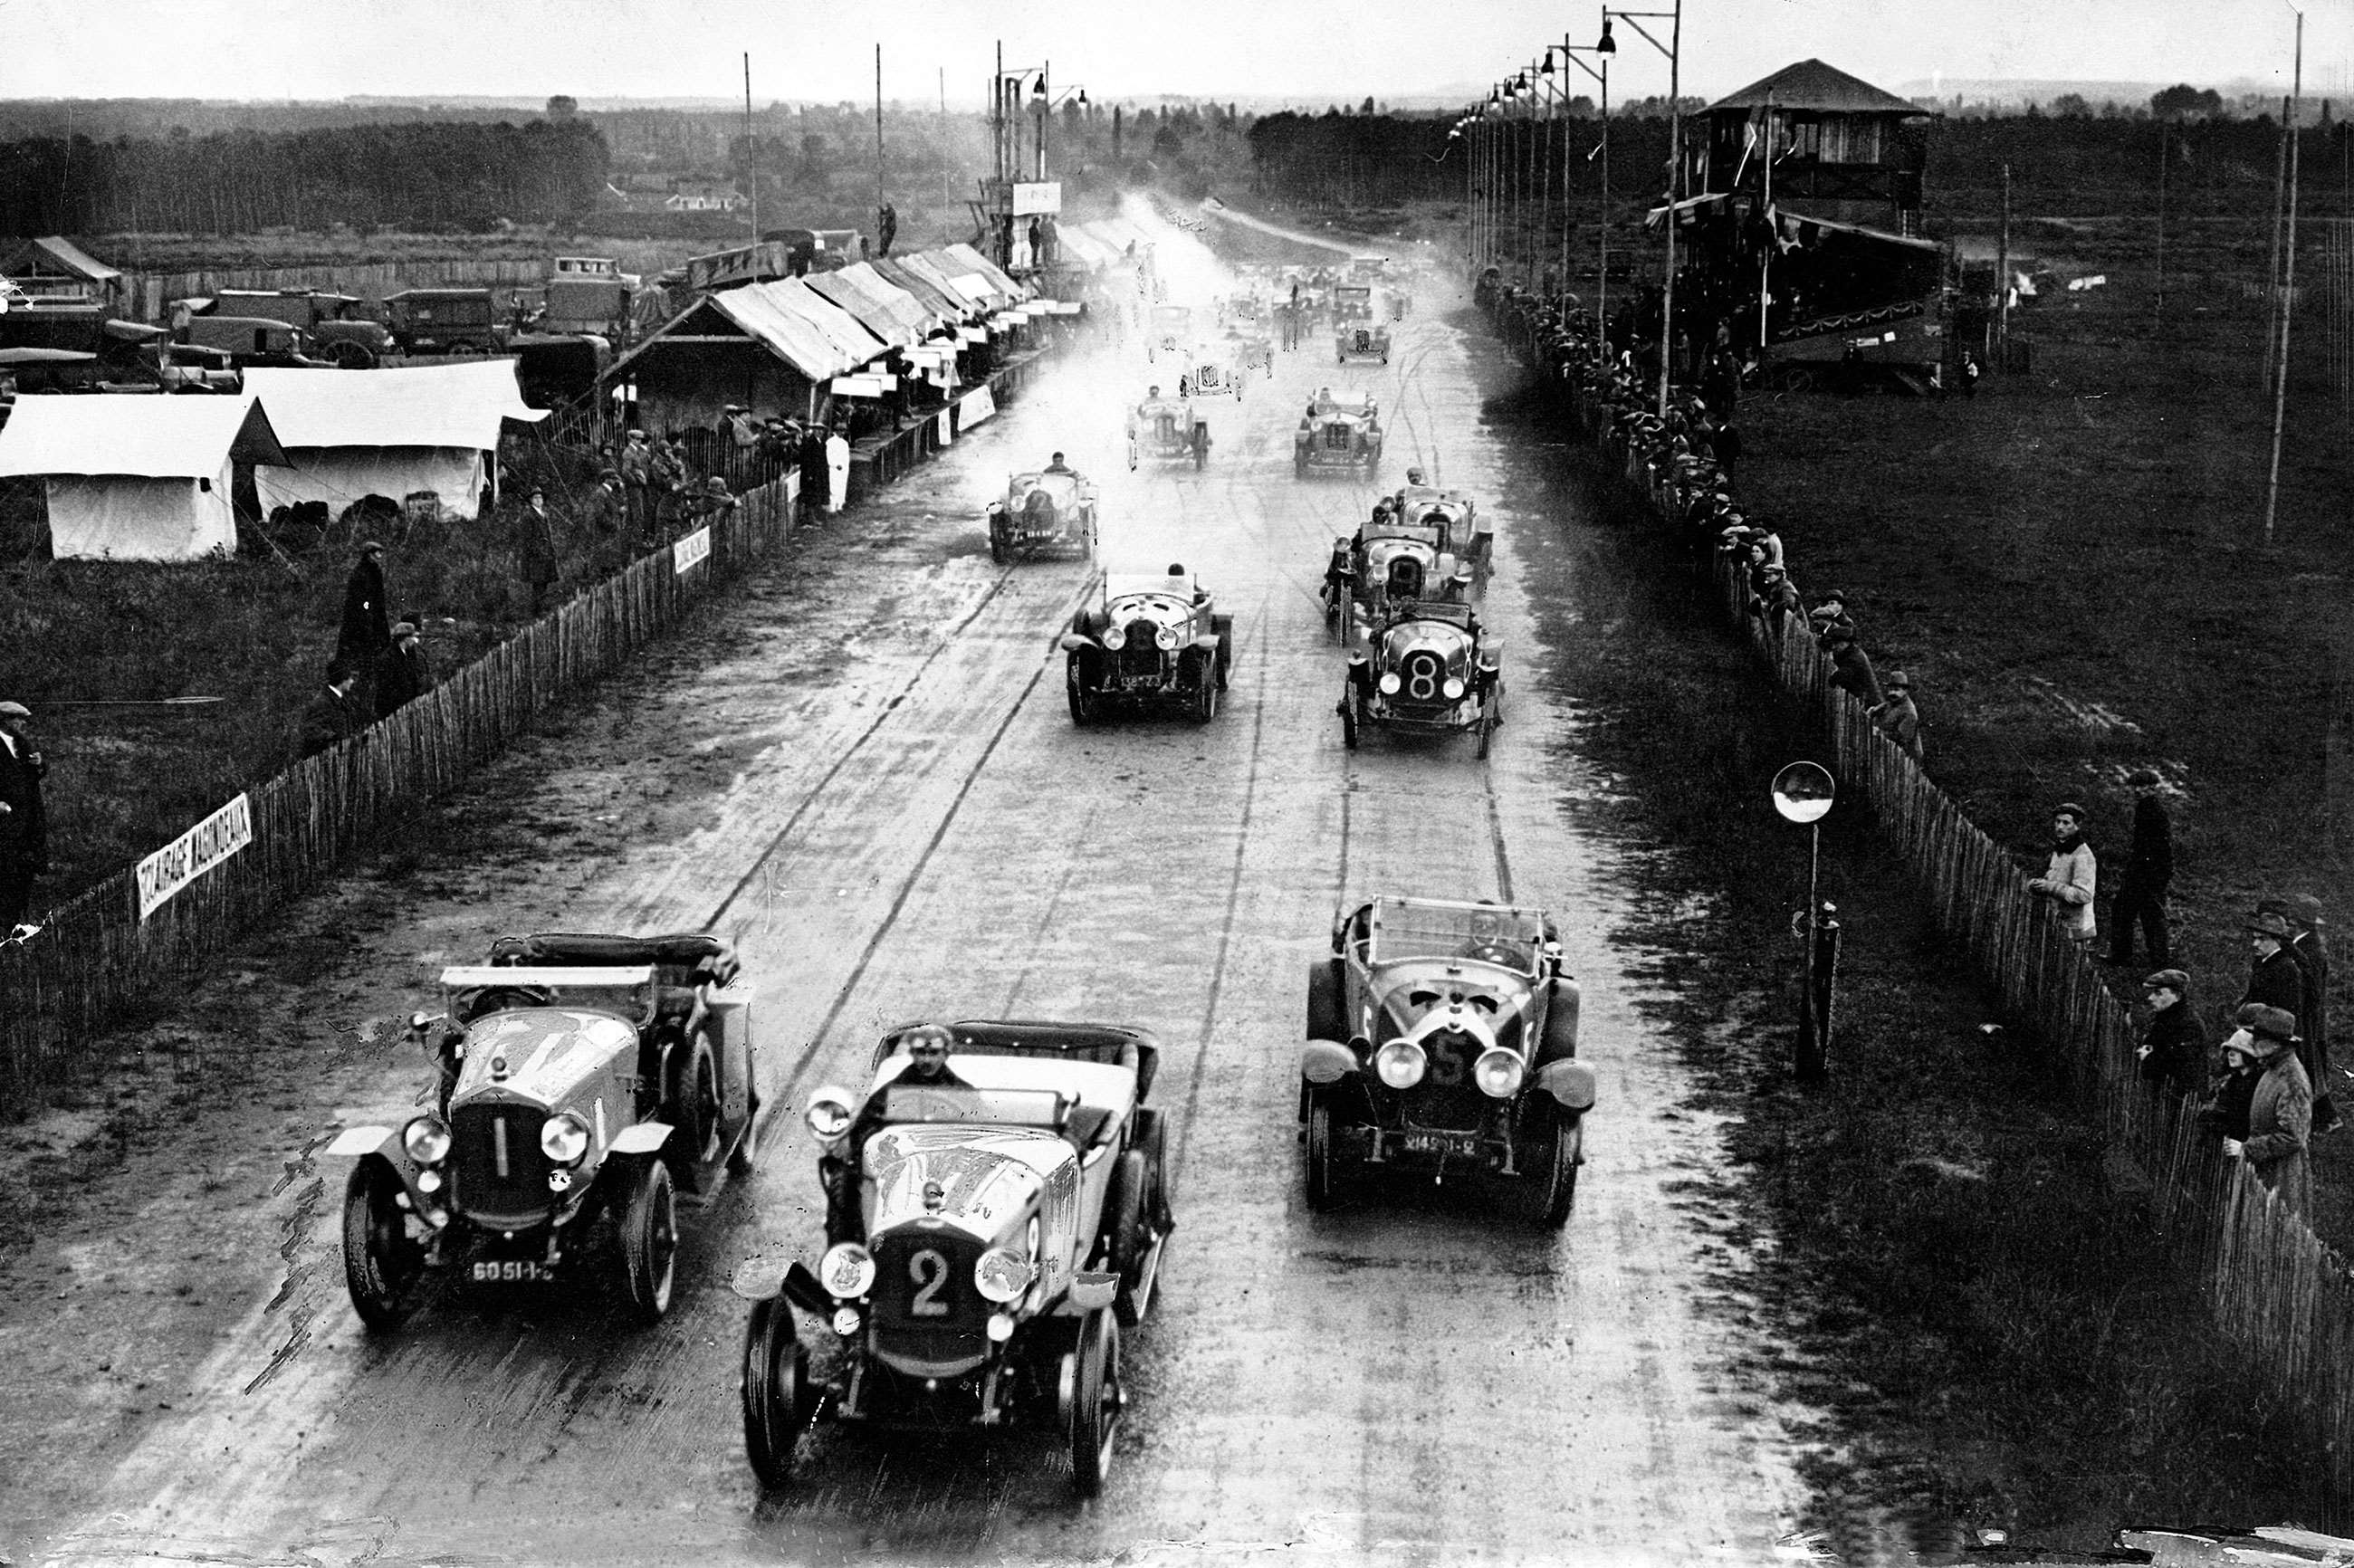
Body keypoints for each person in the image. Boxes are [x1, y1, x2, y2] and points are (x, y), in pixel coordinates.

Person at [822, 1023, 971, 1244]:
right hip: (897, 1166)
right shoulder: (891, 1092)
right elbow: (865, 1129)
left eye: (934, 1052)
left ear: (946, 1054)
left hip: (946, 1168)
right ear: (912, 1053)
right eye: (921, 1052)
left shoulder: (964, 1093)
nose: (927, 1060)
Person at [2223, 1002, 2313, 1215]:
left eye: (2258, 1037)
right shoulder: (2273, 1069)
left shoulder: (2292, 1080)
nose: (2252, 1041)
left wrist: (2247, 1149)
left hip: (2282, 1176)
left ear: (2275, 1043)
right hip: (2264, 1171)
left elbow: (2293, 1137)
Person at [2263, 893, 2338, 1134]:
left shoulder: (2312, 950)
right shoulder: (2304, 944)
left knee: (2309, 1067)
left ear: (2297, 924)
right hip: (2306, 1017)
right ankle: (2324, 1118)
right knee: (2310, 1067)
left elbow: (2311, 990)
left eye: (2290, 922)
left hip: (2309, 1019)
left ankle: (2322, 1119)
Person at [2107, 771, 2173, 969]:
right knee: (2124, 911)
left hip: (2149, 874)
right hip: (2142, 872)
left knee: (2150, 916)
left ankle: (2158, 962)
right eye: (2135, 786)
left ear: (2152, 788)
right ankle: (2123, 957)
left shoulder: (2153, 810)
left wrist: (2155, 876)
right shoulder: (2145, 807)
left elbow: (2159, 848)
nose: (2136, 790)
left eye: (2141, 787)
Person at [0, 701, 50, 930]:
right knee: (6, 871)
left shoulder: (21, 743)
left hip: (28, 818)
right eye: (18, 719)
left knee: (25, 869)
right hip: (6, 821)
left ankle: (16, 922)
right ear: (5, 720)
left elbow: (32, 776)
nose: (23, 724)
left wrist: (40, 764)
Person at [2026, 801, 2098, 946]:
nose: (2060, 827)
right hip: (2057, 921)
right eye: (2057, 822)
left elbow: (2084, 895)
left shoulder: (2083, 855)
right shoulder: (2060, 848)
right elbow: (2052, 877)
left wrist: (2050, 887)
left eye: (2066, 823)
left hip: (2076, 927)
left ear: (2077, 826)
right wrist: (2037, 884)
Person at [2136, 969, 2206, 1102]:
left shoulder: (2188, 1025)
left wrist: (2149, 1058)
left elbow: (2180, 1065)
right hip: (2162, 1093)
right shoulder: (2164, 1017)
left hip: (2181, 1100)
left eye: (2158, 993)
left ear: (2177, 996)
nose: (2150, 998)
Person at [337, 541, 391, 666]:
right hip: (361, 615)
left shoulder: (376, 571)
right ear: (369, 555)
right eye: (376, 554)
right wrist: (367, 609)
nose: (379, 557)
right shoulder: (360, 573)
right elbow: (361, 599)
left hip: (375, 614)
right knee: (360, 645)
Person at [2243, 908, 2303, 1015]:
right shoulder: (2263, 964)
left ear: (2277, 941)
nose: (2255, 944)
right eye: (2254, 938)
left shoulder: (2285, 968)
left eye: (2262, 939)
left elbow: (2285, 1012)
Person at [299, 667, 364, 760]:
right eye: (351, 678)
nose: (352, 682)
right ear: (343, 680)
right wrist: (335, 737)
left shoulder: (341, 700)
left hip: (339, 759)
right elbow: (310, 730)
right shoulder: (323, 702)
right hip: (324, 761)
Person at [374, 622, 433, 720]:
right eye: (413, 637)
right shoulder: (388, 658)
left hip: (407, 705)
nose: (415, 640)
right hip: (393, 709)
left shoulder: (409, 654)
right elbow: (387, 687)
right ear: (405, 638)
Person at [518, 486, 562, 615]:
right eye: (535, 498)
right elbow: (527, 538)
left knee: (544, 583)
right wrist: (537, 551)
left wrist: (550, 550)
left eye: (540, 497)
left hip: (546, 553)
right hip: (536, 556)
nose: (538, 500)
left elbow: (548, 535)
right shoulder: (528, 516)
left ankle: (541, 607)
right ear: (531, 500)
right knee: (538, 584)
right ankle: (536, 610)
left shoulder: (544, 514)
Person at [1870, 669, 1923, 759]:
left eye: (1896, 690)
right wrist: (1872, 712)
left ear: (1905, 691)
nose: (1892, 693)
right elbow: (1878, 709)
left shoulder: (1909, 712)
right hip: (1891, 753)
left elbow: (1901, 738)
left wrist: (1878, 732)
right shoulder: (1893, 702)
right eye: (1890, 689)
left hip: (1906, 760)